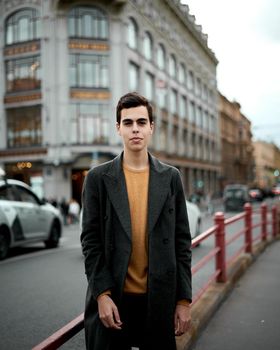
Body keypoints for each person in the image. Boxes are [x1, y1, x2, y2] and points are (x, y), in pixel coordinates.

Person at [80, 92, 192, 350]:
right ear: (118, 128)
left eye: (141, 122)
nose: (135, 129)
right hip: (114, 299)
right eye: (128, 123)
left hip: (158, 299)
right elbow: (90, 241)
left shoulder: (170, 177)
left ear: (151, 127)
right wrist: (102, 294)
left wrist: (183, 300)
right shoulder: (98, 178)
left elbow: (181, 242)